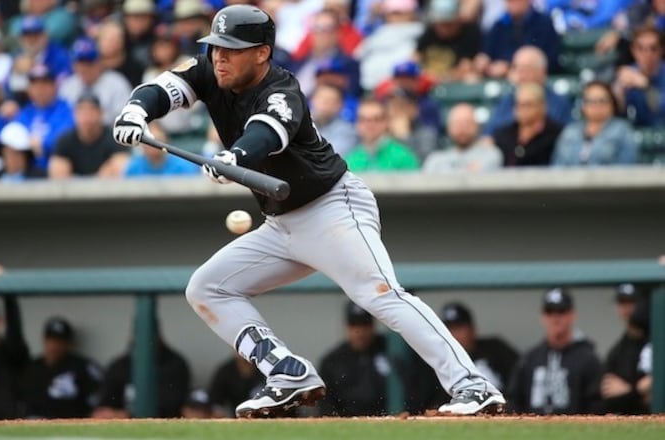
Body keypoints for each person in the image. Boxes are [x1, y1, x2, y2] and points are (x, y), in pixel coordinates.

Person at [112, 4, 506, 418]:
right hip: (281, 224)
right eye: (215, 48)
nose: (219, 57)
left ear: (262, 52)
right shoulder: (212, 70)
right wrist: (138, 110)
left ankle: (472, 386)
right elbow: (164, 87)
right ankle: (287, 372)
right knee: (207, 288)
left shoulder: (282, 89)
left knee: (381, 295)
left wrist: (236, 157)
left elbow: (266, 134)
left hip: (332, 208)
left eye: (231, 48)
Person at [507, 287, 602, 415]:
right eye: (549, 311)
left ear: (572, 315)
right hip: (533, 430)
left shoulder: (589, 360)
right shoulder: (529, 359)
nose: (555, 317)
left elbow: (596, 405)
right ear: (543, 316)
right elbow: (515, 400)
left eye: (561, 311)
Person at [92, 327, 190, 418]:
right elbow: (106, 400)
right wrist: (108, 412)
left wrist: (128, 414)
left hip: (161, 423)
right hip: (123, 424)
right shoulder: (120, 365)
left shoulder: (174, 363)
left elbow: (172, 405)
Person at [318, 301, 391, 417]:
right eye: (354, 325)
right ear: (347, 327)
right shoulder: (333, 361)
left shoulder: (390, 350)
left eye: (364, 325)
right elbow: (325, 404)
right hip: (347, 424)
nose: (360, 332)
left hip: (389, 420)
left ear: (373, 326)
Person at [23, 317, 104, 419]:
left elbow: (99, 400)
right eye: (51, 339)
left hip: (72, 425)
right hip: (35, 424)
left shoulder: (82, 367)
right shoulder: (32, 368)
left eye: (60, 341)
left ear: (68, 343)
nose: (54, 345)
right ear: (44, 340)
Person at [483, 46, 572, 136]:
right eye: (517, 69)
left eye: (526, 69)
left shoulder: (558, 103)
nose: (521, 76)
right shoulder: (507, 100)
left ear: (542, 72)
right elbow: (490, 134)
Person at [551, 81, 639, 166]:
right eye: (591, 101)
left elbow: (627, 168)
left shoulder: (622, 131)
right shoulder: (569, 133)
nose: (597, 106)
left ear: (612, 104)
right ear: (583, 105)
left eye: (602, 101)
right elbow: (558, 167)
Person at [439, 302, 519, 394]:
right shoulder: (440, 362)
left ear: (472, 329)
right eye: (449, 329)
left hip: (501, 404)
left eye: (459, 327)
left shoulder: (495, 349)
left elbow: (518, 386)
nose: (454, 334)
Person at [48, 93, 130, 179]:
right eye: (82, 110)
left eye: (91, 110)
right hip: (74, 189)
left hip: (108, 189)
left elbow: (123, 163)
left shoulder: (114, 137)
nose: (86, 115)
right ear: (75, 114)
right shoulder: (65, 140)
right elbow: (57, 172)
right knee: (58, 166)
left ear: (100, 113)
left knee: (118, 164)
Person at [475, 0, 560, 79]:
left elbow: (548, 60)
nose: (511, 3)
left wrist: (509, 67)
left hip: (533, 80)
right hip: (498, 78)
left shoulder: (543, 23)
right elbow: (486, 53)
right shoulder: (499, 25)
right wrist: (484, 62)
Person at [600, 284, 651, 414]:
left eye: (631, 302)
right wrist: (639, 391)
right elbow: (610, 395)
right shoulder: (616, 352)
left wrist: (630, 390)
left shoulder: (658, 341)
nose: (626, 308)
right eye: (622, 302)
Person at [59, 37, 133, 126]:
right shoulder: (68, 86)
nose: (85, 68)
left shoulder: (117, 83)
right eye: (81, 62)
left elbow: (127, 118)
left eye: (89, 62)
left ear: (99, 62)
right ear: (74, 65)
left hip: (110, 135)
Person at [15, 64, 75, 173]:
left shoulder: (65, 110)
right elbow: (15, 135)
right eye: (35, 85)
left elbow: (64, 140)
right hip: (26, 170)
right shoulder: (26, 112)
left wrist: (42, 144)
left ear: (54, 86)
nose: (39, 89)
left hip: (53, 169)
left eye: (44, 84)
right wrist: (31, 146)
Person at [357, 0, 424, 91]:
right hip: (368, 87)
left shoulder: (421, 35)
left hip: (399, 87)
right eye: (391, 13)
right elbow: (357, 54)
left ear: (411, 13)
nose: (395, 17)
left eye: (399, 13)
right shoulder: (378, 33)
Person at [491, 82, 563, 166]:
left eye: (528, 105)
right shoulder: (504, 134)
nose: (522, 109)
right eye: (519, 104)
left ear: (542, 106)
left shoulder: (556, 134)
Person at [344, 97, 420, 173]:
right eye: (363, 119)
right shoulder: (350, 159)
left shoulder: (403, 157)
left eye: (376, 119)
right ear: (357, 123)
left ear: (387, 122)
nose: (369, 124)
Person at [423, 103, 503, 173]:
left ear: (477, 126)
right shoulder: (435, 159)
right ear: (448, 128)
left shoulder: (491, 155)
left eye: (467, 123)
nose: (462, 128)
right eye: (457, 123)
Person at [415, 0, 482, 82]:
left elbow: (466, 67)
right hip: (427, 81)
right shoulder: (430, 31)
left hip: (453, 84)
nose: (443, 28)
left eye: (448, 23)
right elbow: (415, 58)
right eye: (440, 23)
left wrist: (441, 78)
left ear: (458, 20)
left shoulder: (470, 32)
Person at [612, 26, 665, 128]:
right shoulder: (628, 73)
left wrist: (646, 86)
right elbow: (615, 115)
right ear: (633, 50)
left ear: (661, 50)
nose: (647, 54)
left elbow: (660, 109)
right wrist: (618, 89)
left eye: (653, 48)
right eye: (641, 48)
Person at [208, 351, 265, 418]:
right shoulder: (225, 371)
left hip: (260, 414)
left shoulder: (264, 369)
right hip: (233, 415)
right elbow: (216, 400)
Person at [309, 83, 358, 157]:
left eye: (331, 101)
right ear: (312, 100)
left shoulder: (347, 131)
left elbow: (329, 157)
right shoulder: (300, 124)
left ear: (340, 105)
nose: (325, 104)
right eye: (321, 99)